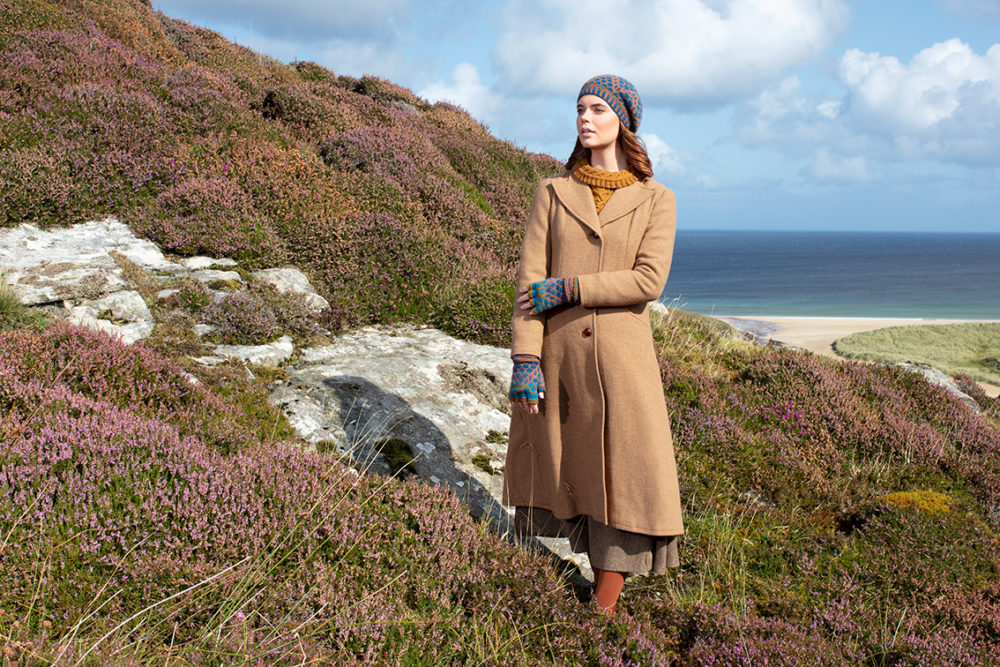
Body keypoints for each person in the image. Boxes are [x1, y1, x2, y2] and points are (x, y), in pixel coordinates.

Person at [503, 74, 684, 614]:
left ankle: (602, 613)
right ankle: (544, 590)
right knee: (563, 471)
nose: (585, 118)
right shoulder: (551, 193)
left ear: (623, 122)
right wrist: (525, 358)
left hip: (623, 365)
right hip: (558, 359)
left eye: (598, 109)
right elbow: (528, 284)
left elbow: (649, 280)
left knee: (625, 480)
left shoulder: (658, 199)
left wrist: (574, 287)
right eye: (580, 108)